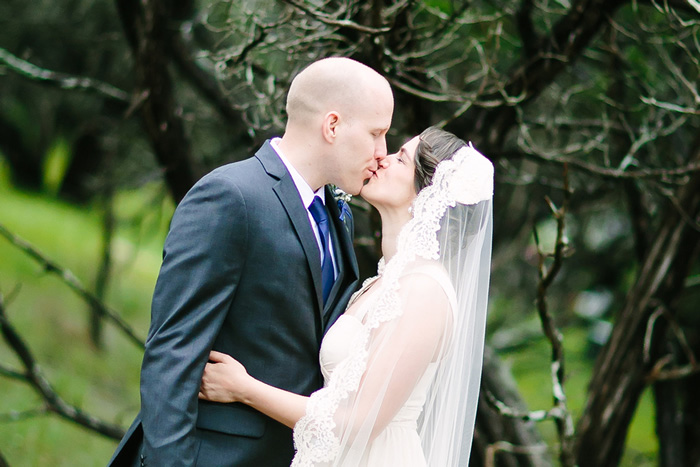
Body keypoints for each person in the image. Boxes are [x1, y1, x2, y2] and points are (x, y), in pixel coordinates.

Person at [108, 57, 394, 467]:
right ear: (332, 126)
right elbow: (173, 351)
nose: (381, 153)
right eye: (376, 133)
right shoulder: (231, 196)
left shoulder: (337, 215)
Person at [199, 127, 494, 466]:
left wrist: (244, 389)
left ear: (426, 194)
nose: (382, 159)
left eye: (401, 158)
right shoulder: (385, 281)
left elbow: (357, 421)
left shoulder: (425, 291)